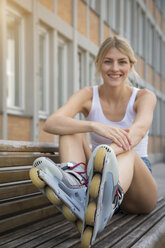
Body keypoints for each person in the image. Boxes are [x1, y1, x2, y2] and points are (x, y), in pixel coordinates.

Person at [36, 36, 158, 247]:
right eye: (108, 61)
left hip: (137, 189)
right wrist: (93, 126)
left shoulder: (144, 97)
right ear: (99, 63)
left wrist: (104, 153)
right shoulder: (88, 94)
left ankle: (99, 201)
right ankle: (77, 189)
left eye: (122, 62)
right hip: (96, 181)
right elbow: (52, 123)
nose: (114, 68)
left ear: (131, 65)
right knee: (69, 129)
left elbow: (136, 133)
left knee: (128, 151)